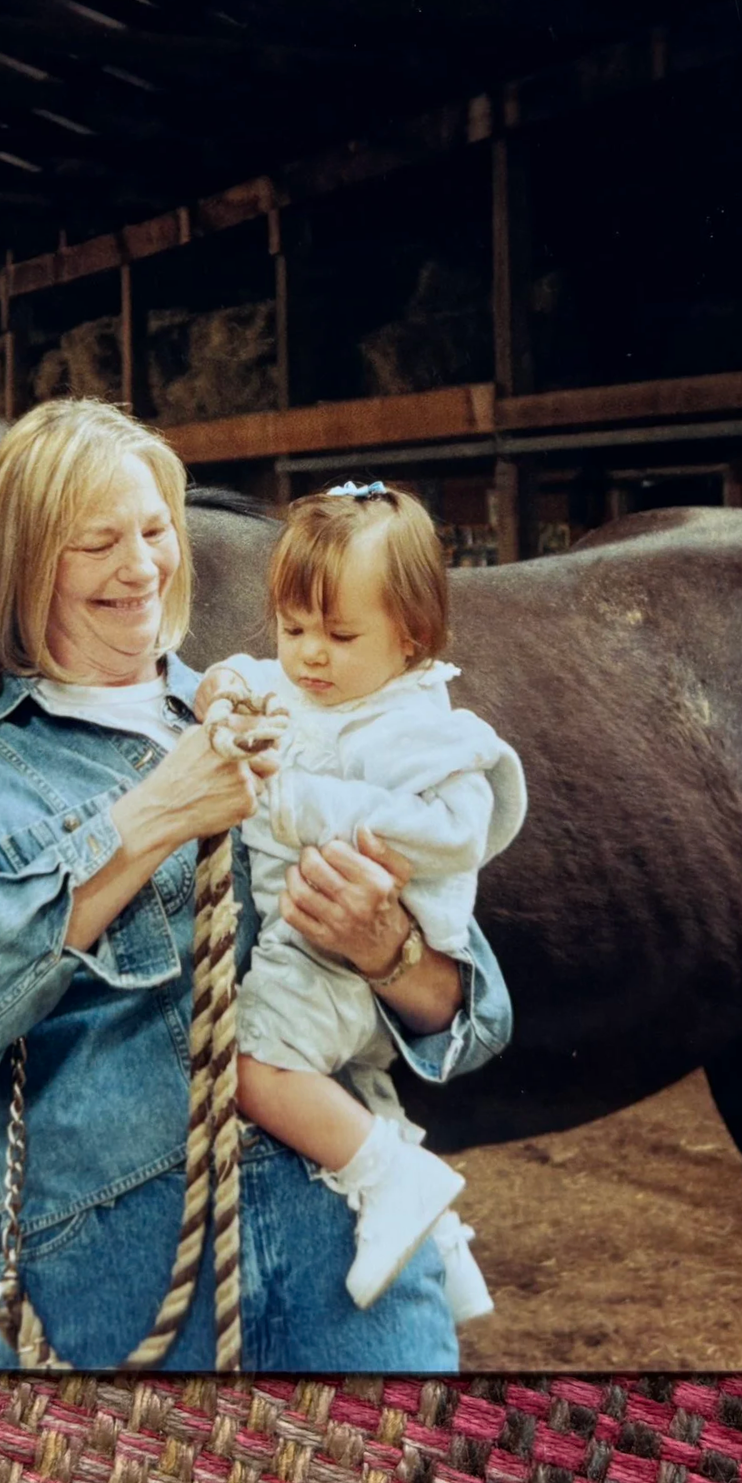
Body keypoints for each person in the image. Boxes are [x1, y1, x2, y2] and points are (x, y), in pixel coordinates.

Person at [0, 398, 515, 1370]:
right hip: (112, 1276)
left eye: (156, 532)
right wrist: (152, 814)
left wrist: (388, 951)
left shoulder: (283, 712)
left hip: (345, 1252)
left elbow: (471, 1014)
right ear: (25, 565)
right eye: (97, 543)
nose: (141, 568)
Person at [196, 482, 525, 1323]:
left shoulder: (419, 729)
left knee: (250, 1065)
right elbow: (235, 674)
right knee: (345, 1087)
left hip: (342, 953)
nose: (310, 655)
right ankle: (440, 1244)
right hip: (309, 943)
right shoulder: (305, 686)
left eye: (340, 635)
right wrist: (222, 693)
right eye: (293, 627)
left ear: (410, 636)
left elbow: (458, 829)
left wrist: (302, 802)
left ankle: (393, 1179)